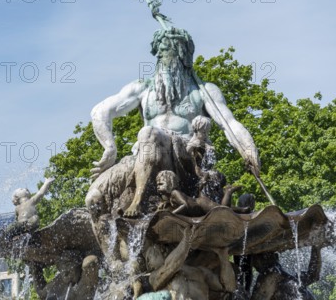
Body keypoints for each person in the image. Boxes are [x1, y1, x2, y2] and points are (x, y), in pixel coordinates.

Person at [90, 27, 261, 217]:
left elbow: (229, 124)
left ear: (182, 54)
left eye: (166, 50)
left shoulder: (204, 91)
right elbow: (100, 112)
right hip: (146, 155)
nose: (161, 56)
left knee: (149, 133)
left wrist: (248, 150)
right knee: (94, 198)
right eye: (158, 52)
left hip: (185, 155)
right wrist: (110, 148)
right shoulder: (142, 88)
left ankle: (137, 202)